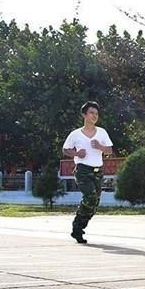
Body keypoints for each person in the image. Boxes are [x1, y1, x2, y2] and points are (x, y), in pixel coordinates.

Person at [62, 101, 113, 244]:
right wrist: (77, 153)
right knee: (90, 197)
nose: (94, 116)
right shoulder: (75, 134)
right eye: (91, 113)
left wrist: (100, 146)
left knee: (94, 203)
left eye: (96, 114)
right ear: (84, 114)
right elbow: (65, 150)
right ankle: (77, 226)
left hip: (98, 170)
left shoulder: (102, 132)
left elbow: (109, 150)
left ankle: (78, 228)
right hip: (82, 170)